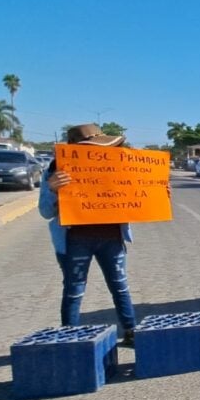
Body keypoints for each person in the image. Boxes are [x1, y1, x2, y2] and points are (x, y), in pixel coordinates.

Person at [38, 124, 138, 345]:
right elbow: (45, 211)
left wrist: (159, 191)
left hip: (111, 237)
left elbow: (139, 198)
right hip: (74, 239)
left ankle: (131, 331)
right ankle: (69, 338)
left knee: (120, 285)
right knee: (74, 289)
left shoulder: (117, 167)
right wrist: (53, 189)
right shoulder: (55, 170)